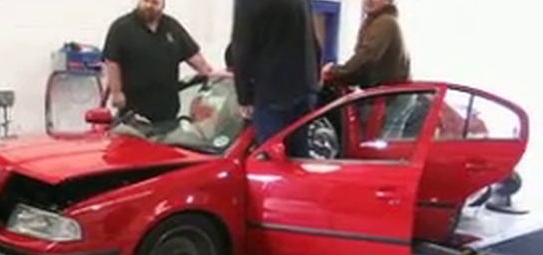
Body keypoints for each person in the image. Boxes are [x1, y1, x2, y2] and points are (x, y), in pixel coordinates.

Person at [102, 0, 214, 125]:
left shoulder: (172, 27)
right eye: (146, 1)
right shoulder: (121, 27)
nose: (149, 6)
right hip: (133, 113)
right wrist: (116, 92)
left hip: (167, 113)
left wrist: (211, 74)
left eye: (155, 2)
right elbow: (112, 62)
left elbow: (194, 57)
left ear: (163, 4)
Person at [231, 0, 321, 154]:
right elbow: (314, 41)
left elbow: (241, 49)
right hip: (305, 87)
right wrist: (315, 76)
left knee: (271, 156)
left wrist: (244, 95)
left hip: (272, 90)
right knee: (299, 154)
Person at [322, 0, 410, 88]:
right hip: (383, 92)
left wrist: (334, 71)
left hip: (387, 96)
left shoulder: (385, 22)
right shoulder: (374, 22)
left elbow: (366, 57)